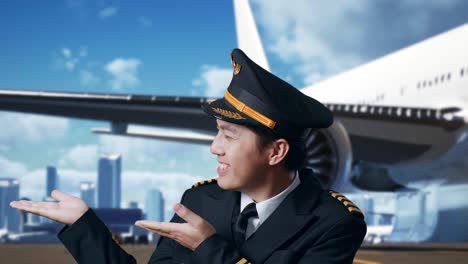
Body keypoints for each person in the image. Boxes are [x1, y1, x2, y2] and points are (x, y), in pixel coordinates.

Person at [10, 48, 366, 263]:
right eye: (216, 133)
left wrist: (209, 248)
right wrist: (85, 227)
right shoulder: (199, 200)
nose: (215, 147)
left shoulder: (334, 222)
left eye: (228, 135)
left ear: (276, 151)